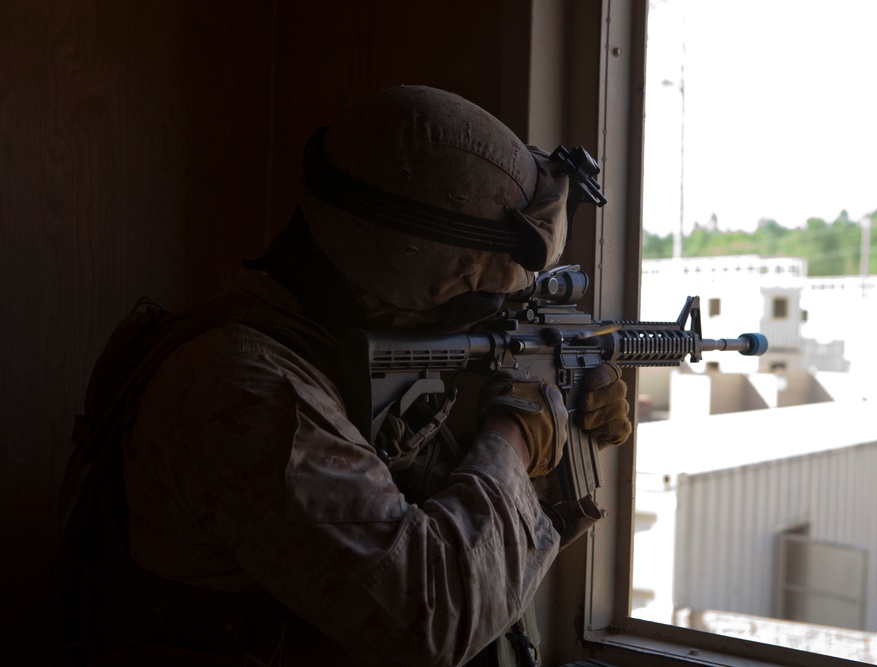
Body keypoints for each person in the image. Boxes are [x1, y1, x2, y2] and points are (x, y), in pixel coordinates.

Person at [62, 85, 632, 666]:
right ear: (405, 286)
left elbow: (464, 552)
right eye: (475, 302)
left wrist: (558, 447)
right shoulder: (245, 388)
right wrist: (517, 428)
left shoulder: (325, 358)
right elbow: (430, 618)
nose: (489, 319)